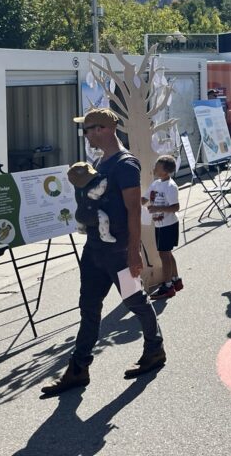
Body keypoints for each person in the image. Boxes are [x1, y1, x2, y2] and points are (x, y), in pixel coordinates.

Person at [42, 108, 164, 396]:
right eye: (85, 129)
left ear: (105, 129)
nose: (86, 134)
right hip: (95, 249)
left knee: (136, 301)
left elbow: (134, 210)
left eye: (89, 129)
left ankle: (155, 349)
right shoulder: (100, 161)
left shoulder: (125, 165)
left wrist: (134, 253)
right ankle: (78, 367)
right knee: (89, 307)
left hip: (119, 252)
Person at [147, 155, 182, 300]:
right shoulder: (156, 183)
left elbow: (176, 207)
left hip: (168, 225)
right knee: (167, 253)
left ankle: (167, 286)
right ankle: (176, 280)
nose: (154, 168)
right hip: (159, 224)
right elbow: (144, 197)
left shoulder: (171, 186)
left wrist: (156, 209)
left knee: (164, 255)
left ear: (166, 171)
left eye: (157, 167)